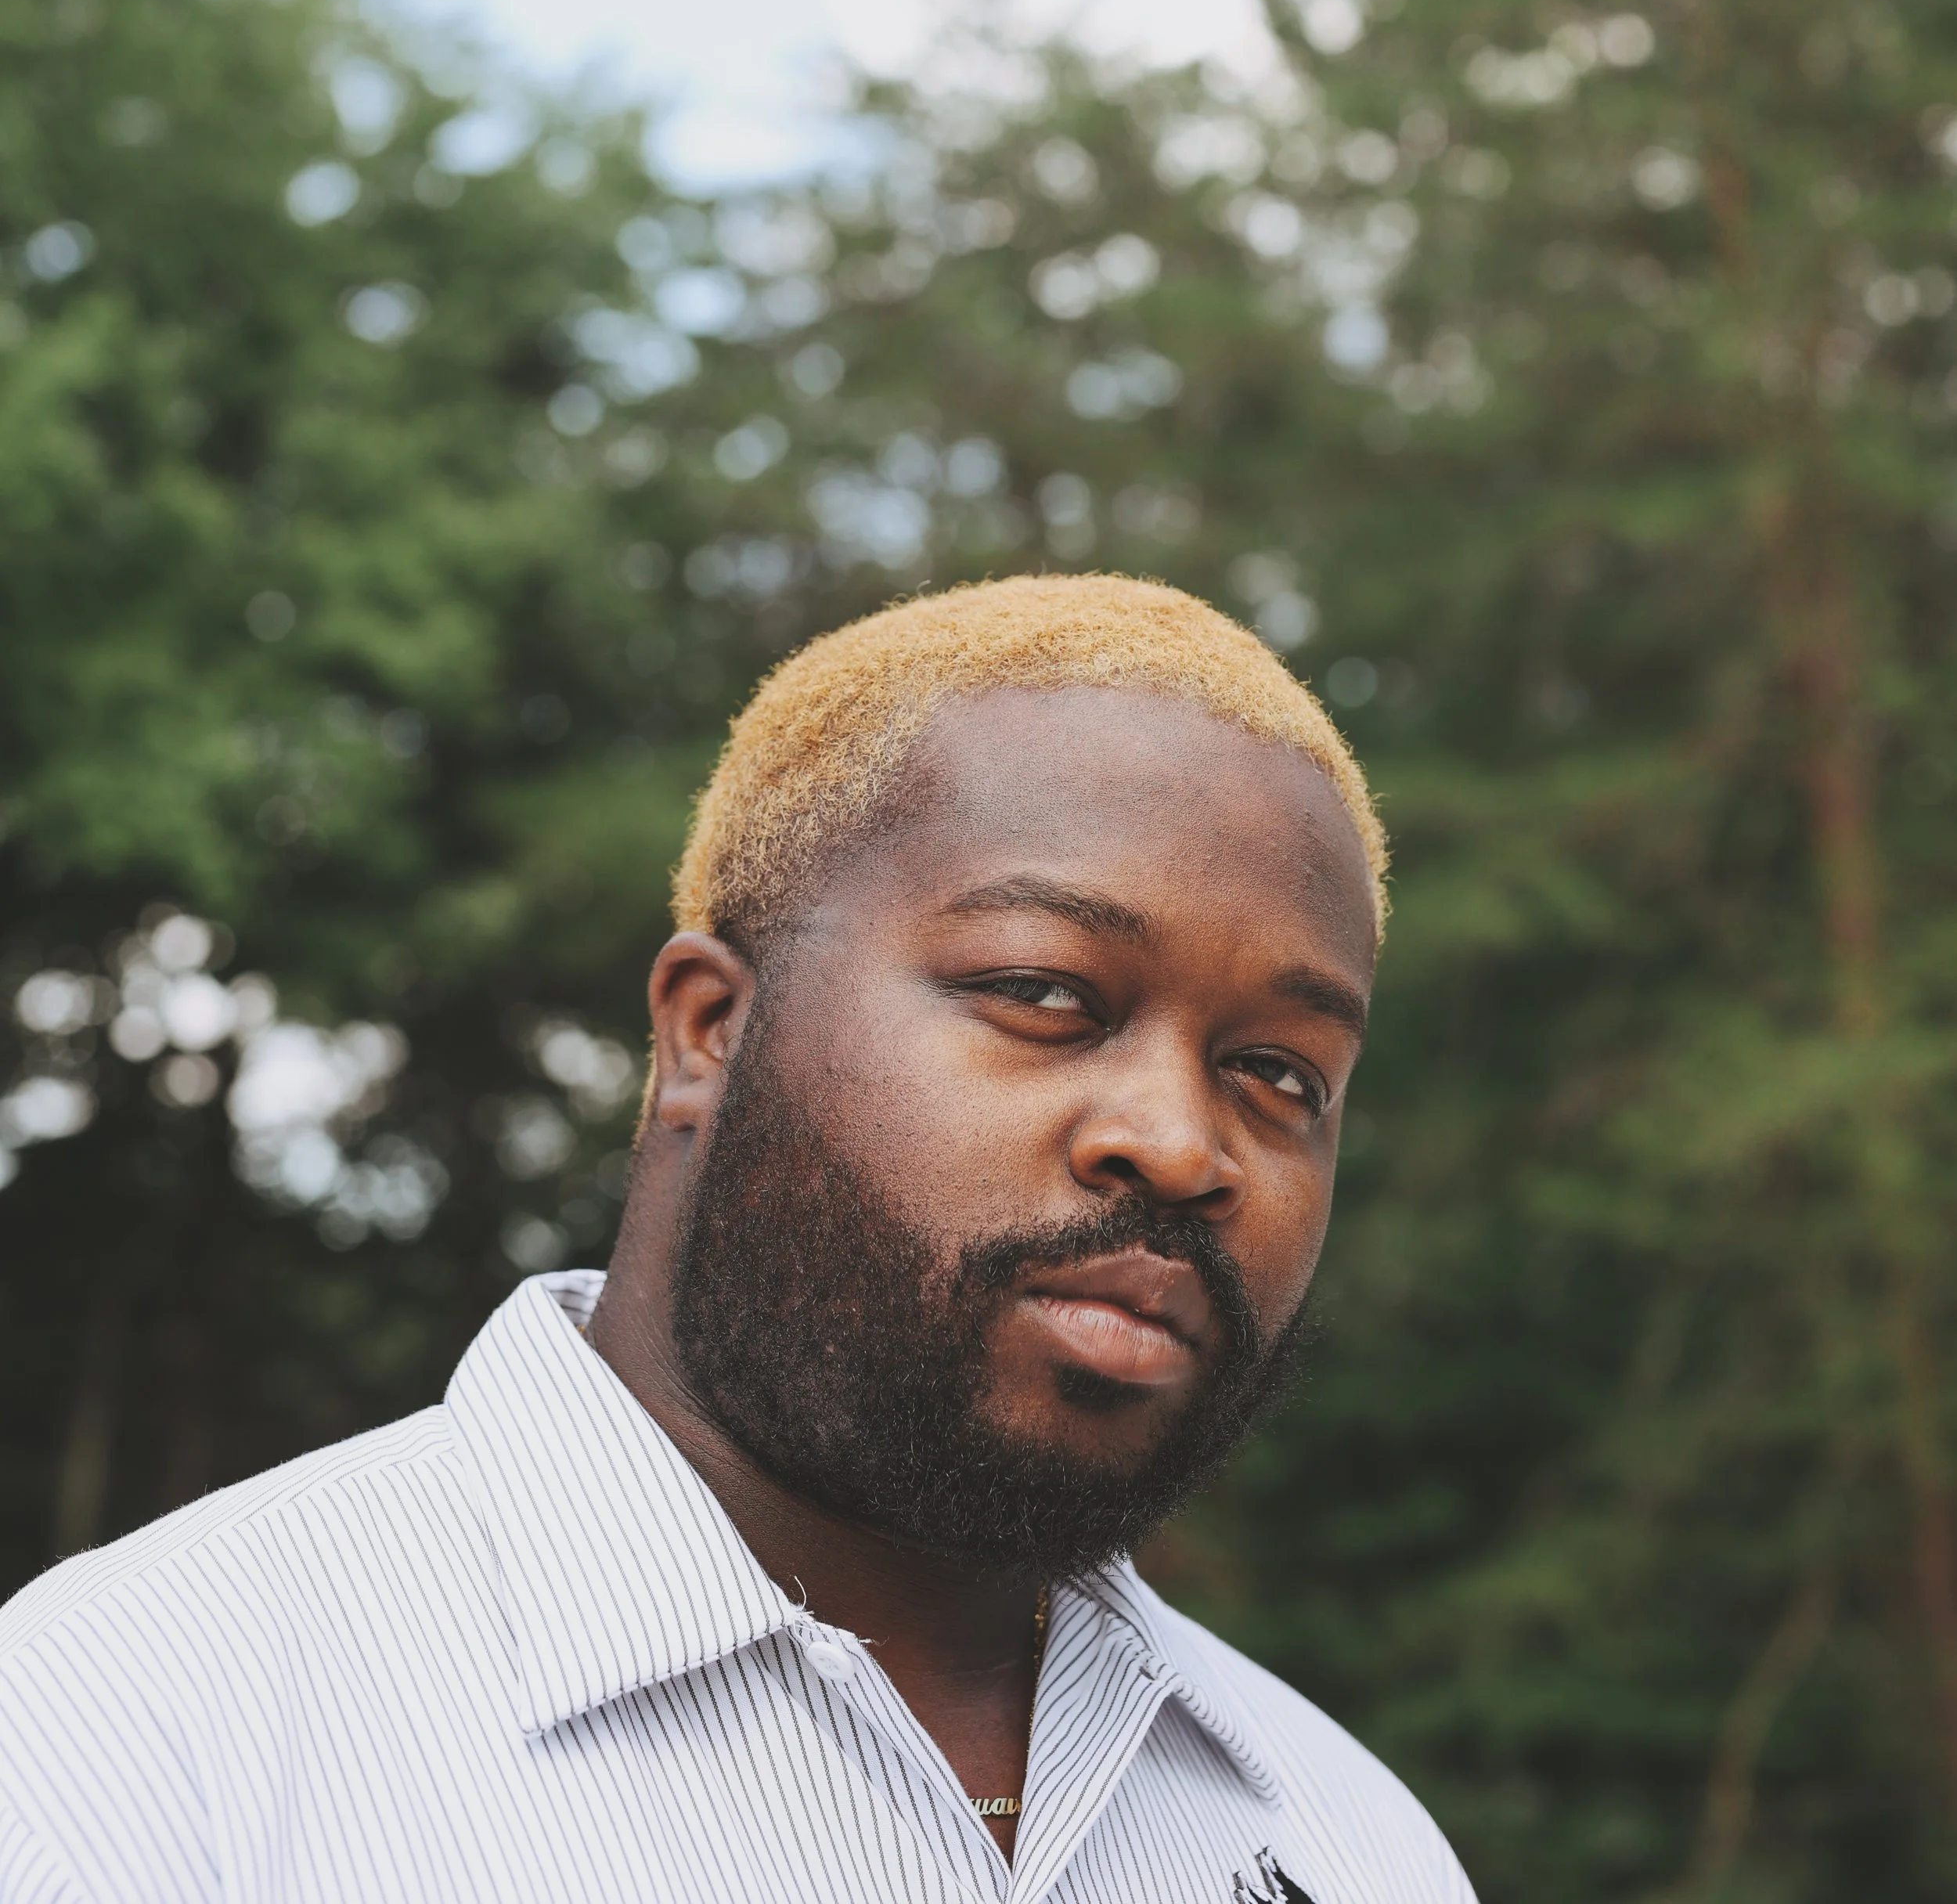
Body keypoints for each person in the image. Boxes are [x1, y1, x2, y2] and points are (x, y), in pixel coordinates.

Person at [0, 574, 1475, 1904]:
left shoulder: (1351, 1838)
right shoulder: (127, 1742)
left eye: (1280, 1074)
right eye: (1046, 993)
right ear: (710, 1029)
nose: (1179, 1142)